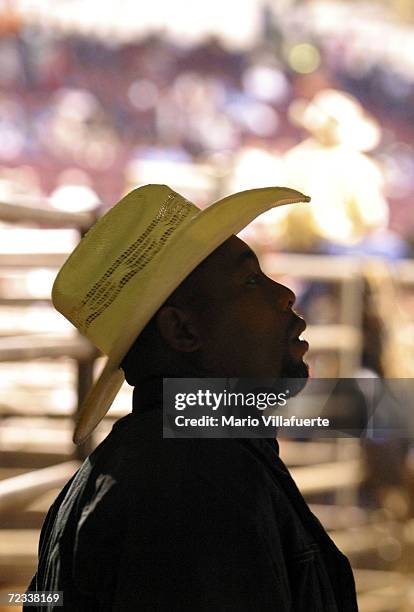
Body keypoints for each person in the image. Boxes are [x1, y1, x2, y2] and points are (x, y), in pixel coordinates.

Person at [26, 184, 358, 611]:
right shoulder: (197, 476)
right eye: (250, 280)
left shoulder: (161, 456)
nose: (285, 295)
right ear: (183, 331)